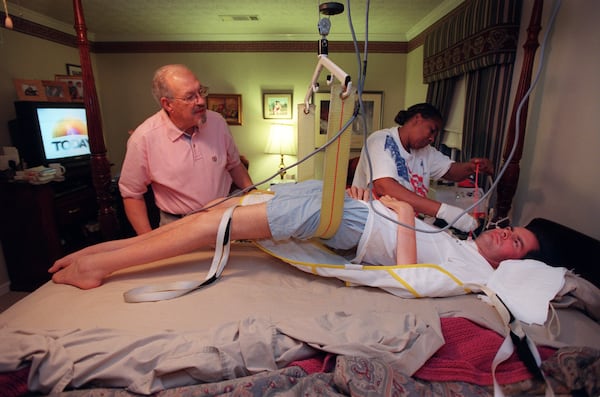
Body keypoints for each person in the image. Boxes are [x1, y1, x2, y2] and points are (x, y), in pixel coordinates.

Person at [49, 180, 540, 290]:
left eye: (516, 243)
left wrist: (403, 216)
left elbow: (407, 277)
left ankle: (99, 265)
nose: (507, 234)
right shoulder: (458, 241)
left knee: (214, 226)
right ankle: (108, 250)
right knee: (219, 208)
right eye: (513, 230)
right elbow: (397, 228)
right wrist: (372, 200)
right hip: (354, 211)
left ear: (511, 264)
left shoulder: (473, 270)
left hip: (350, 225)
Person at [119, 64, 253, 235]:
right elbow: (132, 195)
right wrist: (147, 239)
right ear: (168, 104)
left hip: (222, 219)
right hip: (177, 226)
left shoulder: (217, 122)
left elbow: (234, 165)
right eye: (190, 97)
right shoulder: (143, 138)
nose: (201, 101)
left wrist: (253, 194)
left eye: (201, 91)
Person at [352, 103, 494, 233]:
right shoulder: (381, 140)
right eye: (431, 130)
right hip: (375, 226)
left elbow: (451, 171)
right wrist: (444, 211)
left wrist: (471, 167)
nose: (432, 138)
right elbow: (385, 187)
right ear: (417, 119)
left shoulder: (426, 152)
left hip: (410, 226)